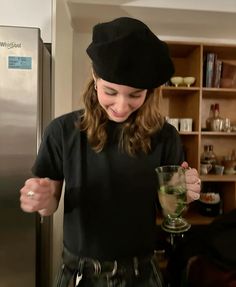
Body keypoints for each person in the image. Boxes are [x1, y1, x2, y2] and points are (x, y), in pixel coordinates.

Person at [20, 17, 201, 287]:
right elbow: (50, 204)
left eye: (135, 95)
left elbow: (173, 207)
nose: (121, 105)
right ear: (95, 78)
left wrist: (185, 193)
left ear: (149, 93)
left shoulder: (166, 137)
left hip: (142, 272)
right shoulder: (61, 132)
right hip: (79, 273)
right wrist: (40, 200)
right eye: (110, 91)